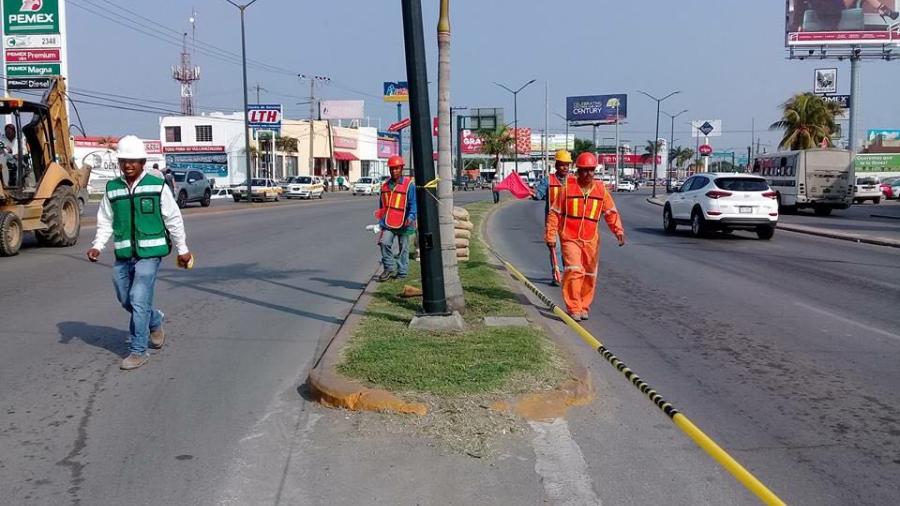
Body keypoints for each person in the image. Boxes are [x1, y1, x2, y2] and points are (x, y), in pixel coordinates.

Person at [87, 135, 193, 371]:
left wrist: (183, 249)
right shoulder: (112, 188)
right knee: (125, 298)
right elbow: (105, 220)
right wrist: (97, 245)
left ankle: (138, 351)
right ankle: (154, 320)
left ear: (143, 162)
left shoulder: (157, 186)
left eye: (133, 161)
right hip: (124, 254)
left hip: (150, 254)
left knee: (138, 298)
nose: (128, 165)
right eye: (124, 161)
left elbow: (173, 219)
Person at [545, 152, 625, 321]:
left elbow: (610, 212)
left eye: (591, 170)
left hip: (591, 239)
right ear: (578, 171)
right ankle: (573, 307)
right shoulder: (567, 189)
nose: (588, 174)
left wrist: (618, 231)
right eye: (585, 170)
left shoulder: (601, 190)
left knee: (589, 274)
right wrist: (551, 235)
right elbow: (554, 213)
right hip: (569, 237)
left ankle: (583, 305)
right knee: (574, 270)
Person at [533, 150, 572, 286]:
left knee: (569, 250)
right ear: (556, 165)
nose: (565, 167)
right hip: (553, 222)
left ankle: (568, 274)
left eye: (567, 165)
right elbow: (539, 193)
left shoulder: (573, 181)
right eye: (562, 164)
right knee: (556, 248)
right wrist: (534, 194)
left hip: (570, 223)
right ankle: (557, 274)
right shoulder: (548, 180)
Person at [376, 155, 417, 282]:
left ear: (401, 169)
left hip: (405, 223)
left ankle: (402, 273)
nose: (394, 171)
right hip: (389, 222)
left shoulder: (409, 185)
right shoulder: (385, 187)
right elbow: (382, 207)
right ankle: (389, 268)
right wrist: (380, 223)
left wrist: (411, 217)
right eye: (392, 168)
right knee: (384, 243)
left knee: (403, 248)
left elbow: (413, 204)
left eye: (396, 168)